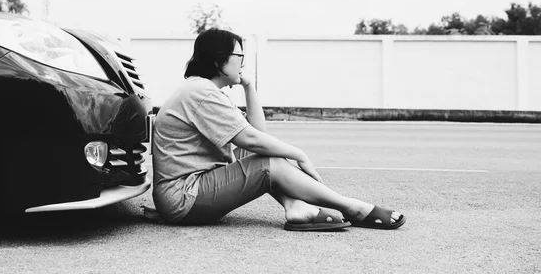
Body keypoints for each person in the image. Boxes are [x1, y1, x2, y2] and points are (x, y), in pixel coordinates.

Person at [151, 28, 406, 231]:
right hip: (184, 197)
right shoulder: (201, 93)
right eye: (240, 57)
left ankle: (295, 206)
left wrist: (249, 87)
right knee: (267, 162)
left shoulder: (201, 90)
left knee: (264, 156)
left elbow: (258, 133)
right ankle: (354, 208)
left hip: (189, 190)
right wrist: (299, 154)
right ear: (220, 61)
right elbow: (254, 140)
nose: (243, 63)